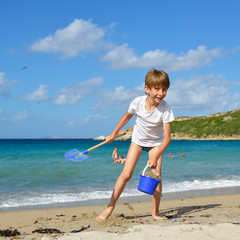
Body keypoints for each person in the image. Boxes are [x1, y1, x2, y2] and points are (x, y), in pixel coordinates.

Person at [97, 69, 174, 221]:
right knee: (126, 174)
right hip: (138, 141)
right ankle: (110, 207)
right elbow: (127, 116)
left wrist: (156, 157)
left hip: (155, 145)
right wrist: (113, 133)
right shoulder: (138, 102)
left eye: (164, 89)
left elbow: (167, 139)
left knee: (157, 177)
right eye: (157, 89)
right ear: (147, 88)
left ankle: (155, 212)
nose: (161, 93)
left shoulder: (165, 109)